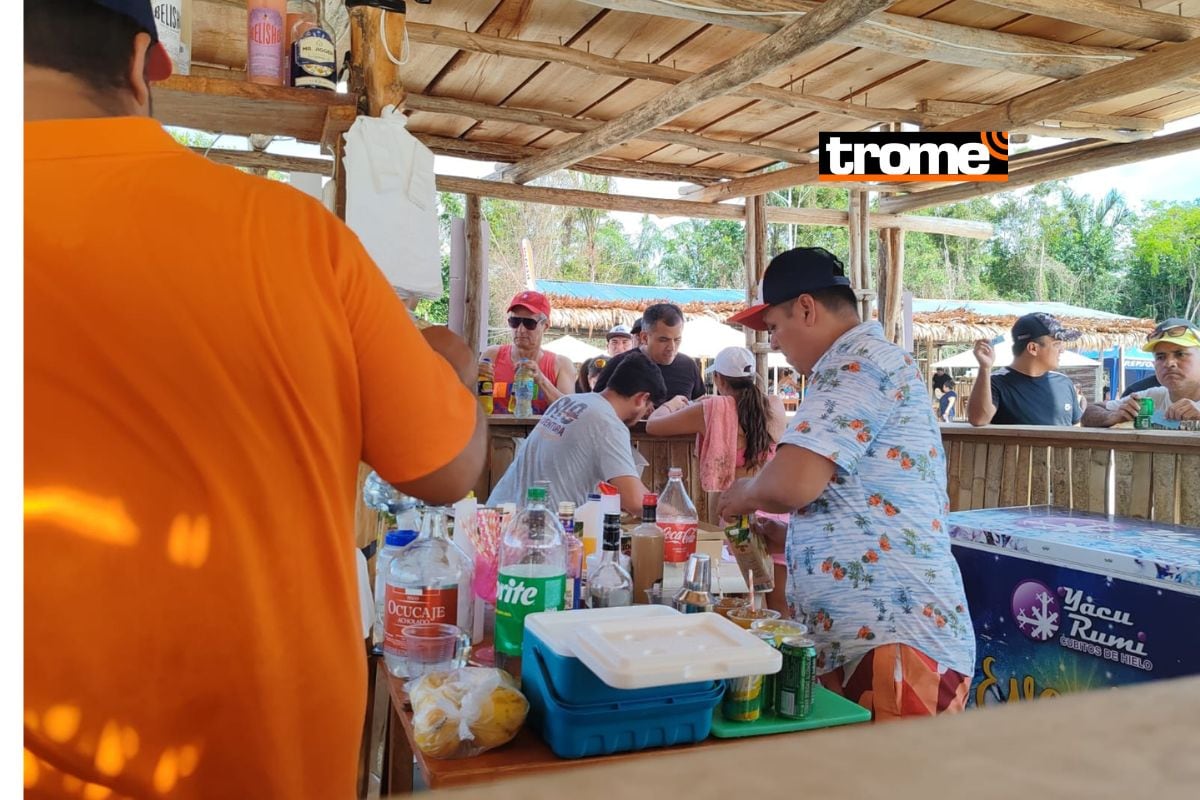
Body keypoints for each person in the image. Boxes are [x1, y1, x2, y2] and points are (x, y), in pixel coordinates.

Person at [24, 2, 487, 796]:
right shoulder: (294, 238)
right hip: (271, 764)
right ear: (145, 62)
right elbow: (448, 469)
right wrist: (456, 369)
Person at [716, 247, 975, 721]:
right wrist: (793, 537)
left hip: (894, 644)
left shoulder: (858, 363)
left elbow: (793, 483)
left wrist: (742, 495)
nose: (773, 343)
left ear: (807, 308)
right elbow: (865, 502)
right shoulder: (854, 365)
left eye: (773, 327)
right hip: (866, 644)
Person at [645, 346, 789, 611]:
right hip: (778, 516)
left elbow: (653, 425)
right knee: (778, 605)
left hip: (737, 519)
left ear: (719, 380)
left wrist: (673, 403)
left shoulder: (711, 409)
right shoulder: (775, 406)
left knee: (741, 604)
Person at [488, 350, 668, 515]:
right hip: (533, 533)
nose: (644, 414)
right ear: (641, 398)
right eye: (648, 408)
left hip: (496, 517)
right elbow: (636, 502)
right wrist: (678, 515)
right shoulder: (608, 423)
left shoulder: (568, 402)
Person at [967, 312, 1084, 427]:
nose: (1062, 350)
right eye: (1056, 344)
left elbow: (1076, 425)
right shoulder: (996, 383)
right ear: (1033, 348)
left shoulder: (1064, 383)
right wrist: (985, 368)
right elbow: (978, 420)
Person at [1082, 319, 1200, 426]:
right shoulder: (1151, 398)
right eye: (1160, 357)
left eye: (1180, 354)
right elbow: (1089, 412)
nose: (1169, 363)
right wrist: (1112, 416)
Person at [478, 290, 577, 416]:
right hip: (495, 435)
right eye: (514, 321)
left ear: (545, 326)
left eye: (529, 323)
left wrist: (541, 380)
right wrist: (470, 379)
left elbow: (570, 413)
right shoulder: (492, 355)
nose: (520, 329)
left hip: (540, 435)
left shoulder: (560, 364)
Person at [593, 303, 705, 404]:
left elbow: (698, 402)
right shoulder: (618, 364)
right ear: (644, 337)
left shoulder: (688, 366)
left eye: (677, 340)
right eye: (663, 340)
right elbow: (598, 408)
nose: (671, 347)